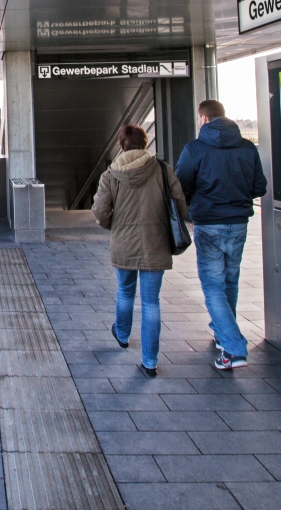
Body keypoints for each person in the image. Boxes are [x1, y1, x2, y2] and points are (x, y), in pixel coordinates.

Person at [91, 124, 191, 377]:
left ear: (122, 145)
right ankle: (150, 362)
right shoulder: (162, 170)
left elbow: (100, 213)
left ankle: (123, 335)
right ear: (145, 143)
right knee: (151, 303)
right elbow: (180, 204)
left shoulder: (110, 174)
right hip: (156, 244)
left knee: (125, 292)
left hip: (124, 244)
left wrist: (114, 225)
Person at [174, 100, 267, 371]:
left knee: (213, 285)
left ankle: (234, 347)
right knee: (230, 280)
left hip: (209, 223)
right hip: (238, 224)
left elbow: (181, 186)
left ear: (204, 118)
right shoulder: (248, 148)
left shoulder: (195, 149)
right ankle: (222, 332)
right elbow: (259, 186)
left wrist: (197, 202)